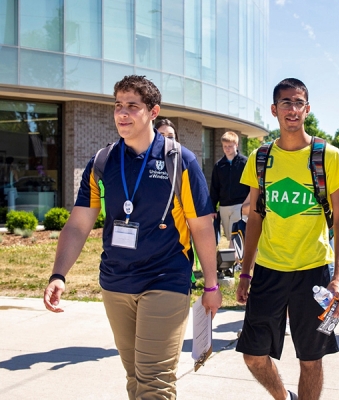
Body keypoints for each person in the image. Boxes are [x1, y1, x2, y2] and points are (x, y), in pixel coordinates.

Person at [42, 75, 222, 399]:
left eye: (132, 107)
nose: (122, 114)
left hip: (166, 278)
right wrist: (59, 274)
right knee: (136, 379)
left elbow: (202, 227)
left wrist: (211, 285)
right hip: (116, 283)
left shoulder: (180, 160)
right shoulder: (102, 162)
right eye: (118, 106)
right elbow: (78, 224)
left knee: (154, 382)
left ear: (153, 112)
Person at [235, 78, 339, 400]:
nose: (292, 109)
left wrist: (338, 279)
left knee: (311, 360)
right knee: (253, 355)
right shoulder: (260, 157)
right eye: (286, 103)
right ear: (274, 110)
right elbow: (255, 216)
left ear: (307, 109)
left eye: (298, 103)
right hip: (269, 271)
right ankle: (283, 397)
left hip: (314, 272)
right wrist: (246, 272)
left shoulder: (328, 157)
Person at [210, 131, 250, 242]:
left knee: (236, 236)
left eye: (230, 146)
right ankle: (236, 258)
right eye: (225, 146)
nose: (227, 149)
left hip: (239, 205)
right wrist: (212, 208)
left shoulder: (245, 163)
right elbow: (214, 188)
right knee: (229, 237)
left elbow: (251, 185)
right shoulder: (219, 165)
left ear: (236, 145)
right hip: (224, 207)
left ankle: (237, 259)